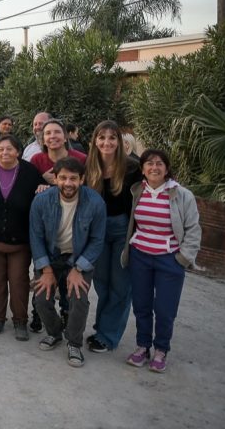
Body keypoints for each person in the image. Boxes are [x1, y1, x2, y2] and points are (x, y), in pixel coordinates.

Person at [122, 149, 201, 374]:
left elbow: (193, 229)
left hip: (169, 259)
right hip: (140, 257)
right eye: (149, 163)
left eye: (159, 164)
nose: (154, 168)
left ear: (167, 168)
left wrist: (184, 258)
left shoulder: (182, 194)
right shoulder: (137, 191)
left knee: (165, 309)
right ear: (142, 168)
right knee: (141, 305)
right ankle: (142, 346)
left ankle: (161, 350)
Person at [29, 157, 106, 368]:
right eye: (63, 178)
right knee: (42, 298)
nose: (68, 183)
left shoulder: (95, 202)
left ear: (82, 179)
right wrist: (45, 270)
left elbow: (97, 240)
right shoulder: (41, 201)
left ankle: (74, 342)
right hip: (50, 256)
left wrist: (79, 268)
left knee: (78, 298)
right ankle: (54, 332)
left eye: (73, 178)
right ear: (55, 178)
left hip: (80, 256)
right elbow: (35, 237)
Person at [0, 135, 45, 341]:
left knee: (18, 280)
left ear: (18, 152)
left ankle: (20, 321)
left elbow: (44, 191)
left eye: (9, 149)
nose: (5, 153)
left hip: (19, 242)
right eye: (1, 149)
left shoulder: (30, 172)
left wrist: (44, 187)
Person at [84, 121, 142, 353]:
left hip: (123, 230)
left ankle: (107, 336)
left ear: (119, 141)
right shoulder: (89, 167)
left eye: (112, 138)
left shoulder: (132, 167)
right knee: (102, 283)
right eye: (102, 137)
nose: (106, 142)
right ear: (95, 141)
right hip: (98, 231)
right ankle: (103, 327)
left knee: (120, 285)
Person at [30, 119, 87, 185]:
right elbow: (30, 187)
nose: (52, 136)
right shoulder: (36, 160)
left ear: (65, 138)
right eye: (48, 133)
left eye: (57, 132)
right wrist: (42, 179)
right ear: (43, 141)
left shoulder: (81, 159)